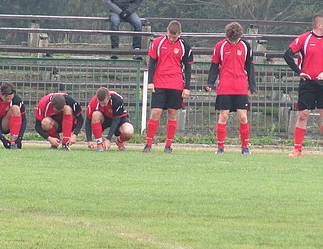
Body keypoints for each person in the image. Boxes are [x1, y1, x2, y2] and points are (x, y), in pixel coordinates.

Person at [283, 14, 323, 158]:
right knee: (303, 115)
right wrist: (299, 72)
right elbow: (287, 55)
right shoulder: (304, 39)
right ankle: (297, 149)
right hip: (307, 83)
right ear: (319, 25)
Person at [205, 22, 256, 155]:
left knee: (243, 116)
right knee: (224, 115)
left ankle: (245, 147)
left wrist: (252, 85)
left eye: (235, 39)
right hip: (225, 86)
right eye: (231, 39)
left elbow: (249, 66)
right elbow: (214, 66)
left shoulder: (246, 46)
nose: (233, 42)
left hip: (240, 86)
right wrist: (210, 83)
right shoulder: (220, 46)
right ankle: (220, 147)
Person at [143, 20, 194, 153]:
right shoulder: (157, 43)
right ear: (167, 31)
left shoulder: (184, 46)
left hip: (176, 84)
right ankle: (148, 144)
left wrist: (187, 87)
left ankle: (168, 145)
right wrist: (150, 82)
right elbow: (152, 63)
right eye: (170, 36)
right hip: (159, 82)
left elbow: (188, 67)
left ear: (179, 34)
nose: (172, 39)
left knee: (173, 113)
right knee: (156, 112)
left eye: (174, 37)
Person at [84, 87, 135, 151]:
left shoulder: (117, 100)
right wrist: (89, 140)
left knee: (129, 131)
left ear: (109, 98)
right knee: (95, 114)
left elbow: (116, 120)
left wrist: (108, 139)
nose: (102, 105)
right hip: (104, 118)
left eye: (104, 103)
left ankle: (119, 141)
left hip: (118, 118)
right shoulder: (93, 102)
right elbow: (88, 120)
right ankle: (99, 143)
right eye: (100, 103)